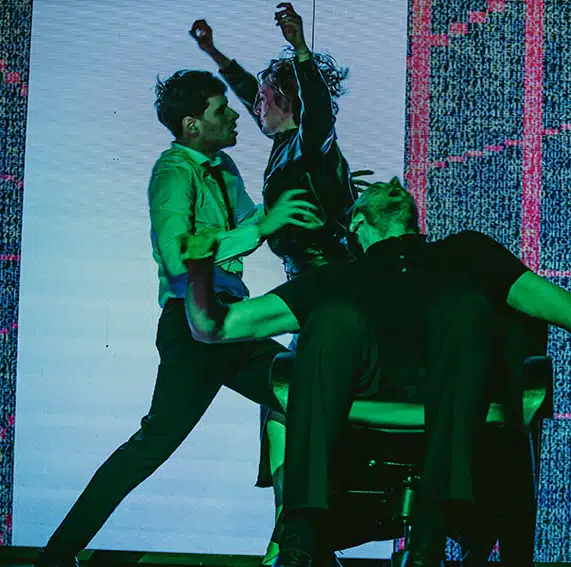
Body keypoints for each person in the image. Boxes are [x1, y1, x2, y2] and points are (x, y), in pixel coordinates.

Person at [179, 177, 571, 567]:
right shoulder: (337, 280)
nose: (390, 186)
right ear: (357, 226)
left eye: (397, 189)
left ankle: (431, 531)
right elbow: (213, 327)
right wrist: (201, 269)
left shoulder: (468, 253)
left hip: (460, 406)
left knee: (465, 309)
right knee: (330, 319)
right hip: (361, 405)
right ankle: (303, 532)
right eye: (374, 193)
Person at [34, 70, 322, 567]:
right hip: (192, 327)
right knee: (152, 446)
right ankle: (57, 555)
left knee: (309, 393)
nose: (235, 116)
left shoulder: (223, 166)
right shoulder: (173, 172)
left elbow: (255, 220)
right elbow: (176, 257)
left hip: (231, 323)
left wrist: (299, 203)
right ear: (192, 124)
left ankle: (297, 545)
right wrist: (259, 230)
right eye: (220, 111)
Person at [190, 5, 357, 563]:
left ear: (285, 99)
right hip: (306, 289)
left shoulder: (311, 143)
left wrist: (300, 48)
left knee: (287, 392)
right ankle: (291, 537)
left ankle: (296, 538)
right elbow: (247, 90)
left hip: (329, 287)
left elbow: (318, 107)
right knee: (282, 399)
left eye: (264, 98)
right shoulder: (282, 144)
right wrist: (214, 53)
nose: (253, 106)